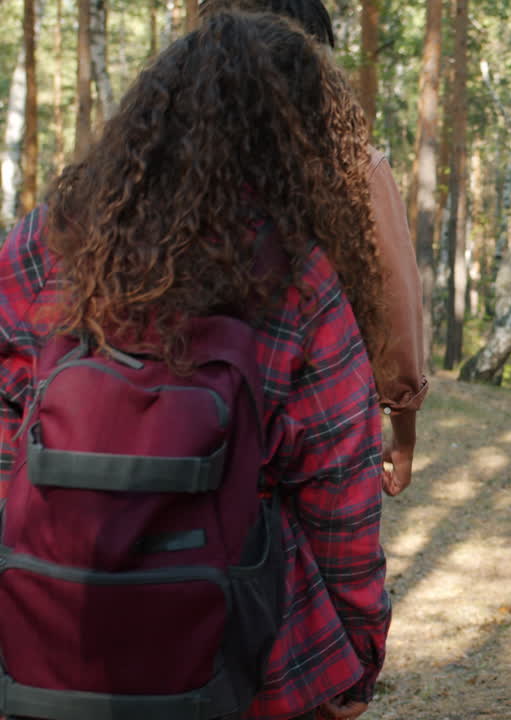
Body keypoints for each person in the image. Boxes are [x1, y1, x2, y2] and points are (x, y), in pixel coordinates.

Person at [0, 13, 390, 720]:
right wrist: (357, 650)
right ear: (292, 139)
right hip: (250, 655)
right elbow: (341, 483)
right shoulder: (296, 274)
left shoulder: (47, 240)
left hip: (49, 636)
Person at [201, 0, 428, 499]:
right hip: (318, 437)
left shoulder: (154, 164)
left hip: (186, 436)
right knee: (336, 576)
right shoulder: (354, 168)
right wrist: (404, 427)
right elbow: (397, 306)